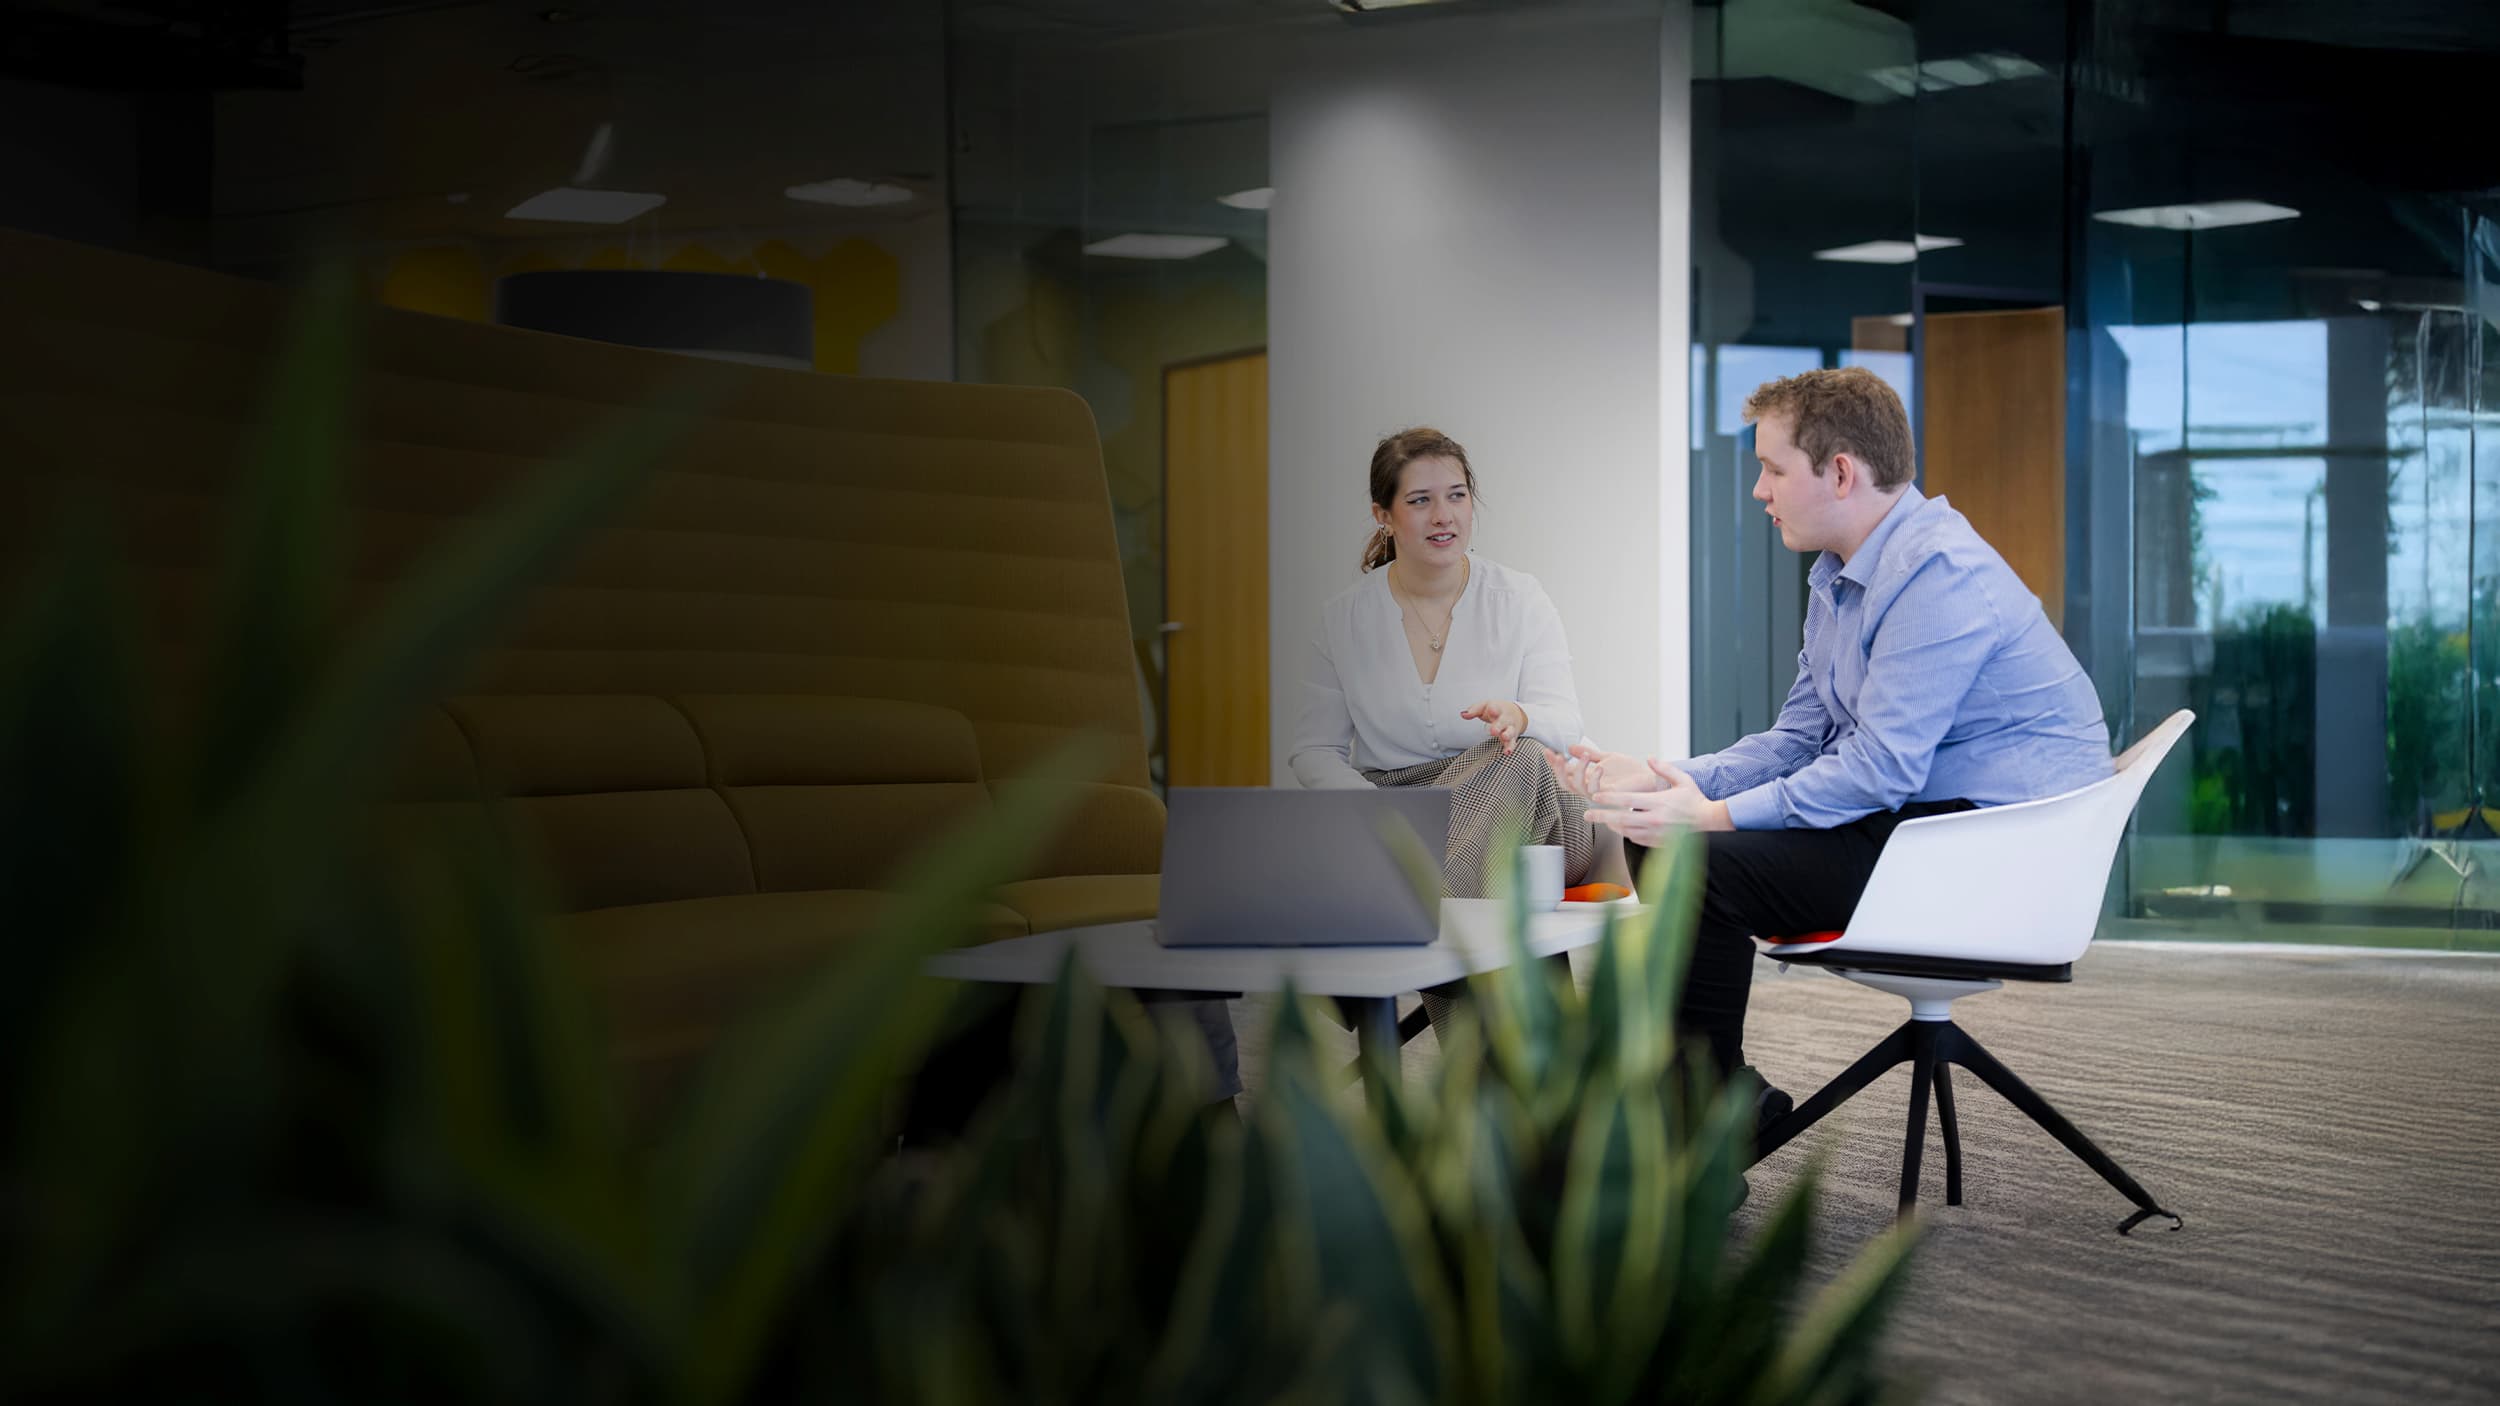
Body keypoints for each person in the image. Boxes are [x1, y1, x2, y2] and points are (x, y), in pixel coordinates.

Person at [1546, 366, 2111, 1125]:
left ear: (1840, 473)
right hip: (1927, 825)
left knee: (1694, 858)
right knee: (1664, 840)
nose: (1759, 491)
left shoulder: (1938, 576)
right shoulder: (1843, 576)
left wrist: (1712, 818)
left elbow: (1878, 769)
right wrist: (1662, 776)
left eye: (1772, 469)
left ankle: (1702, 1118)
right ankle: (1713, 1101)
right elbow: (1800, 739)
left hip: (1995, 856)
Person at [1290, 426, 1605, 904]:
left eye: (1456, 496)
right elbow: (1315, 749)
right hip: (1395, 807)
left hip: (1529, 803)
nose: (1443, 516)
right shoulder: (1344, 617)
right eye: (1419, 501)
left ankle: (1420, 911)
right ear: (1383, 516)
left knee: (1520, 758)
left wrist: (1522, 716)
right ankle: (1457, 946)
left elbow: (1566, 723)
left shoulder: (1520, 598)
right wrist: (1374, 814)